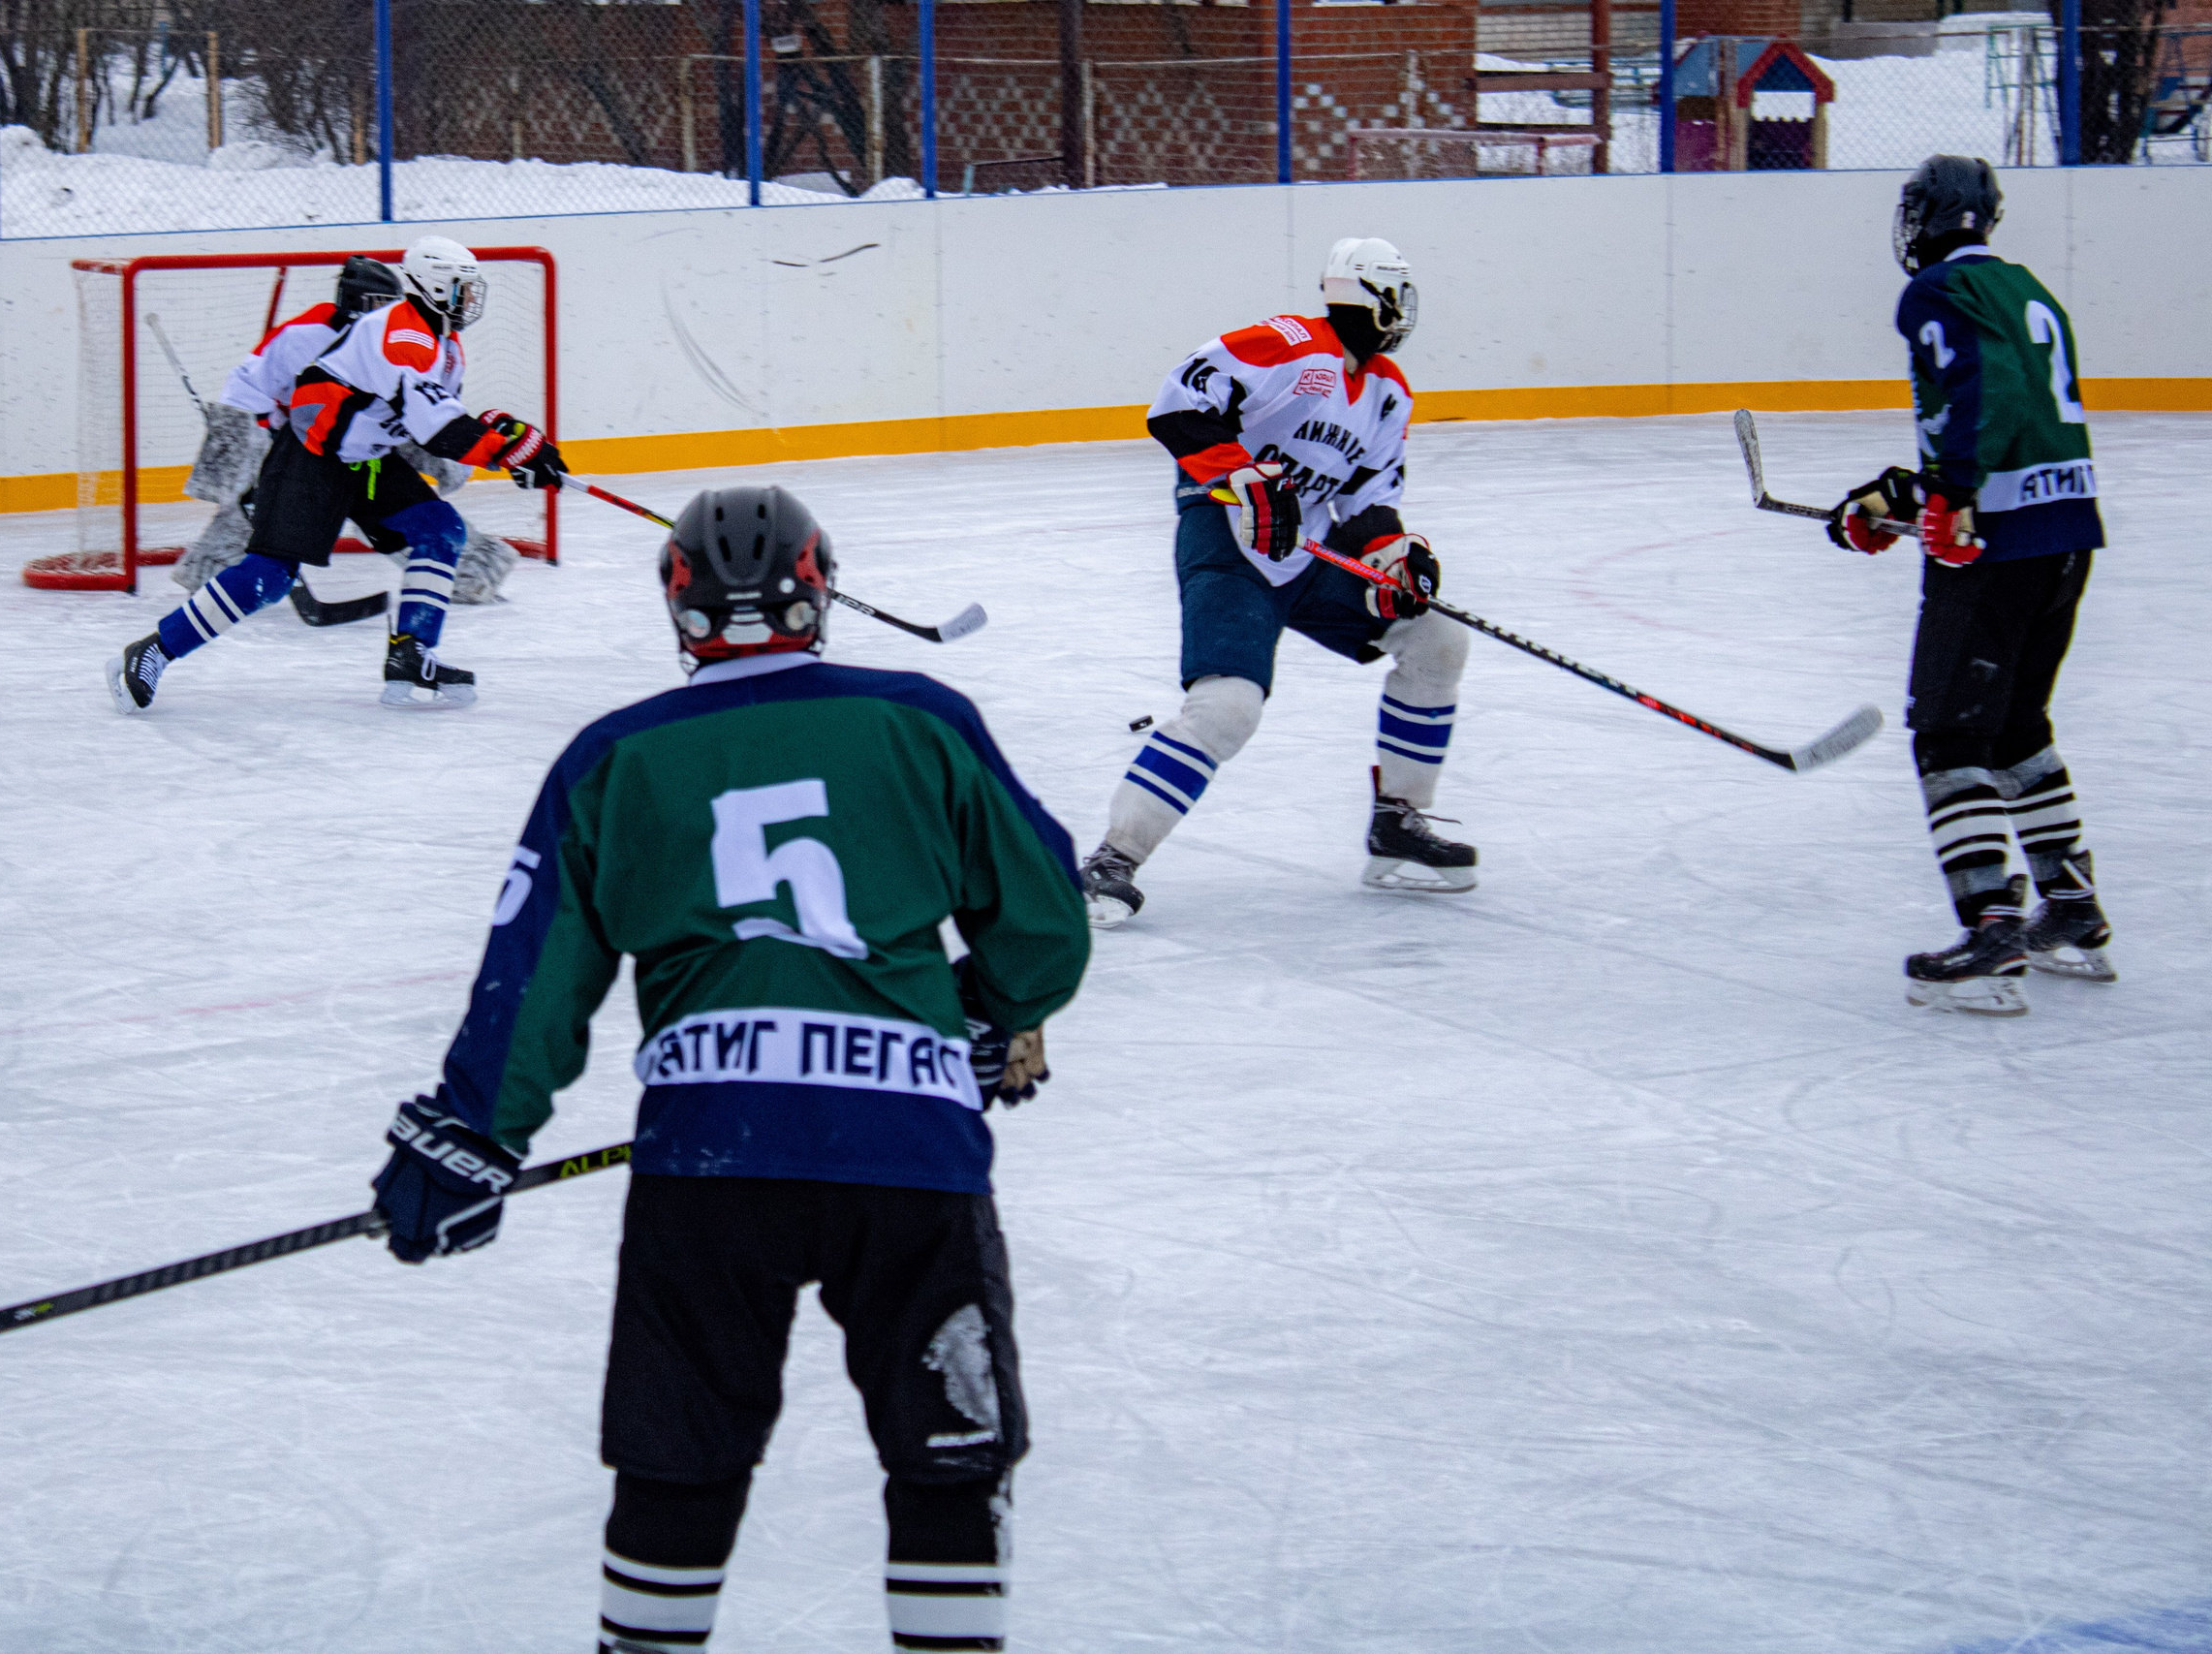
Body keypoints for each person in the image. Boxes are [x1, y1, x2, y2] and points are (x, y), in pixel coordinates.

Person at [365, 485, 1091, 1653]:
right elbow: (1046, 921)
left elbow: (538, 970)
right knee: (947, 1457)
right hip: (907, 1156)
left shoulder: (615, 754)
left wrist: (476, 1130)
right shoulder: (922, 717)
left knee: (680, 1456)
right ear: (819, 595)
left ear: (679, 608)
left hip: (708, 1166)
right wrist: (985, 1013)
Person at [1076, 236, 1477, 927]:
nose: (1405, 315)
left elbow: (1368, 502)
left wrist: (1395, 556)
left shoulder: (1386, 391)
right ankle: (1110, 860)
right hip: (1229, 541)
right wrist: (1240, 474)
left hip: (1308, 551)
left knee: (1436, 637)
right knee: (1228, 707)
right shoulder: (1291, 344)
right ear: (1375, 298)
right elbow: (1178, 404)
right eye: (1398, 297)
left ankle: (1397, 822)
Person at [1827, 156, 2113, 1015]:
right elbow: (2016, 408)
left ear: (1935, 215)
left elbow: (1978, 389)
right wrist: (1903, 495)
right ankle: (2069, 904)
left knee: (1948, 734)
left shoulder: (1934, 295)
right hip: (2065, 536)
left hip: (1997, 549)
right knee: (2018, 723)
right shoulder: (2026, 287)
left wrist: (1947, 493)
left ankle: (1992, 922)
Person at [106, 237, 568, 715]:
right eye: (459, 289)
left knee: (440, 530)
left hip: (368, 460)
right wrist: (506, 453)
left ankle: (412, 654)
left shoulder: (446, 345)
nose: (470, 300)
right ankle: (151, 652)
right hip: (313, 456)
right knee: (268, 577)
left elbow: (438, 418)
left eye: (472, 290)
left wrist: (509, 441)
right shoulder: (401, 333)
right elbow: (437, 428)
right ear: (431, 286)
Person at [172, 255, 516, 618]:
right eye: (377, 304)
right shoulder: (307, 334)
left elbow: (425, 409)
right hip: (285, 433)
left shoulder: (409, 339)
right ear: (353, 301)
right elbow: (249, 391)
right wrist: (260, 449)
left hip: (356, 437)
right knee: (259, 498)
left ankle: (466, 570)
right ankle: (211, 567)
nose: (386, 312)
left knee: (406, 499)